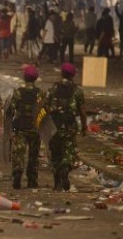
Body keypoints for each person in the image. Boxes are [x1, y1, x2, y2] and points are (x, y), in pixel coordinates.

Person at [46, 63, 86, 191]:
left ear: (61, 73)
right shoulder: (78, 91)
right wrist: (84, 126)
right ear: (73, 75)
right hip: (69, 126)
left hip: (54, 125)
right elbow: (82, 111)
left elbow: (45, 107)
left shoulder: (53, 88)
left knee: (55, 153)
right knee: (70, 152)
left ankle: (57, 183)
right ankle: (65, 168)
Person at [8, 65, 45, 189]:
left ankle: (17, 173)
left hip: (20, 127)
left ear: (24, 78)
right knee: (33, 155)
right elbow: (44, 111)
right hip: (35, 128)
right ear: (36, 78)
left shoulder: (18, 93)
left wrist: (9, 126)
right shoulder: (40, 93)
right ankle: (32, 179)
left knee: (18, 153)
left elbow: (10, 110)